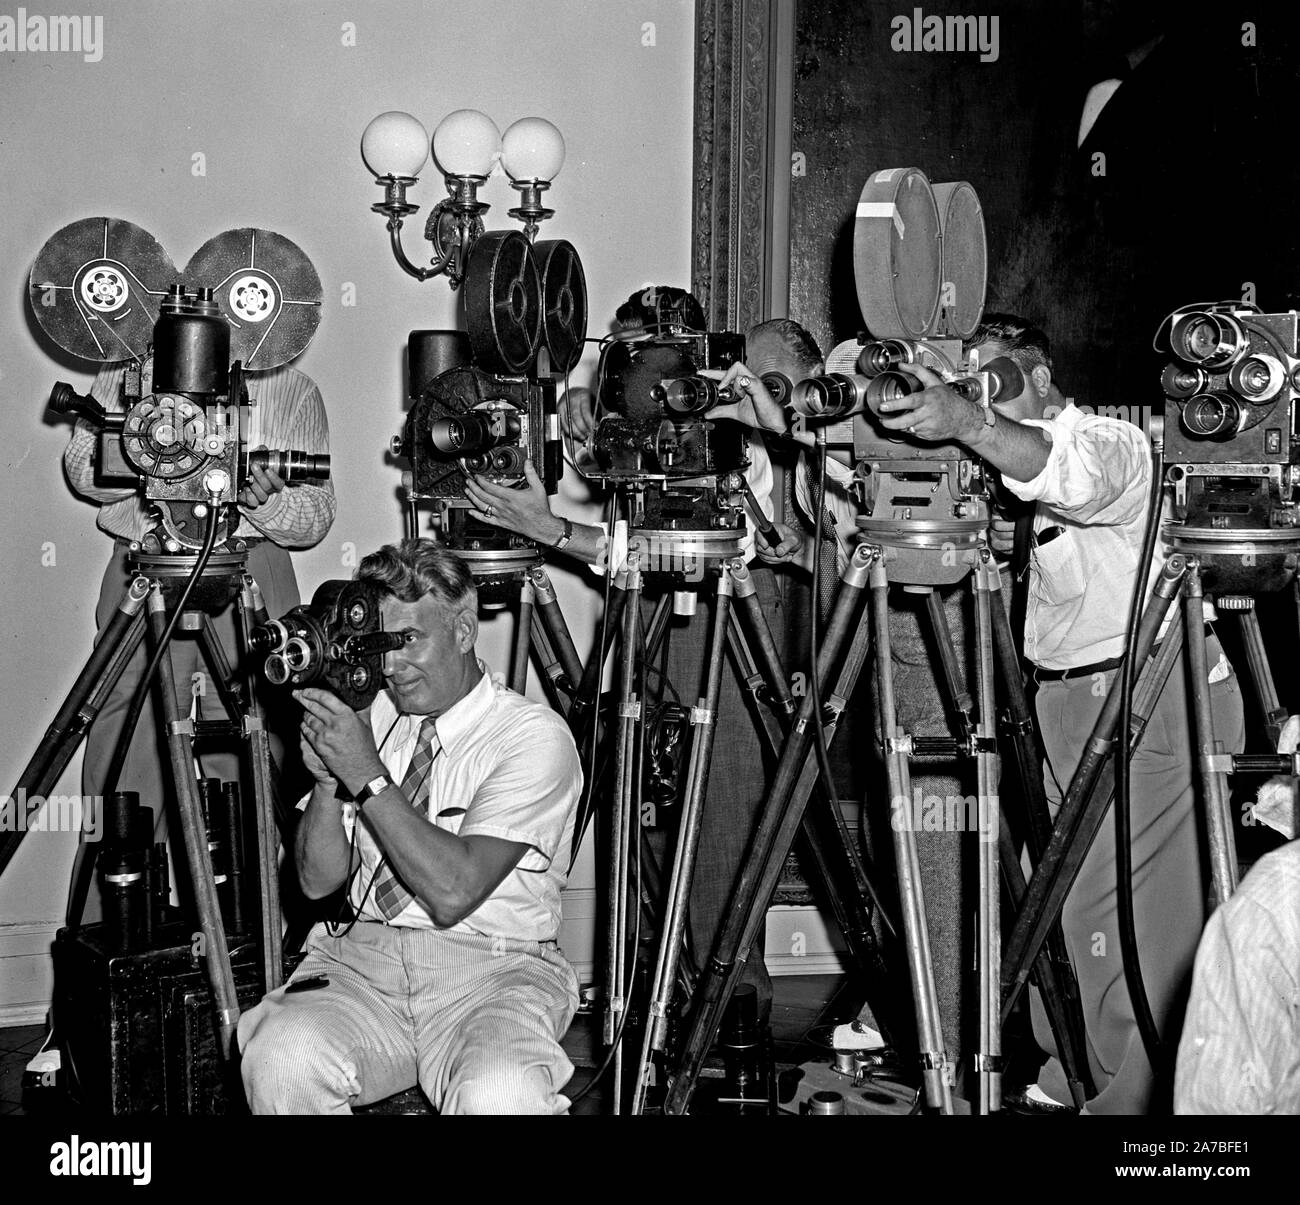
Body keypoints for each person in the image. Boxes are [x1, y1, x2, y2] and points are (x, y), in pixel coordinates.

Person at [463, 297, 803, 1024]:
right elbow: (628, 519)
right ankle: (660, 995)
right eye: (622, 359)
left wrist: (547, 528)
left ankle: (729, 1020)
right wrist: (582, 412)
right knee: (647, 808)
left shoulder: (737, 434)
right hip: (651, 613)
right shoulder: (649, 429)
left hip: (726, 622)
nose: (634, 379)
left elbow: (711, 540)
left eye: (641, 360)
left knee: (719, 834)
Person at [237, 540, 583, 1114]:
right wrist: (328, 786)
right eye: (380, 646)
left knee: (502, 1093)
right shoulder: (370, 713)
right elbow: (318, 883)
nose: (391, 666)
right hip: (362, 968)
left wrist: (366, 774)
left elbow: (453, 893)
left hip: (492, 973)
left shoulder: (531, 736)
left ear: (465, 631)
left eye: (408, 642)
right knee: (280, 1056)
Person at [63, 360, 335, 920]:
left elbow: (316, 517)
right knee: (121, 769)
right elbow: (81, 473)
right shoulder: (128, 369)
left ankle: (253, 953)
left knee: (254, 764)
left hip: (249, 565)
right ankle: (106, 950)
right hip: (148, 561)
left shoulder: (293, 388)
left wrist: (266, 499)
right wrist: (151, 449)